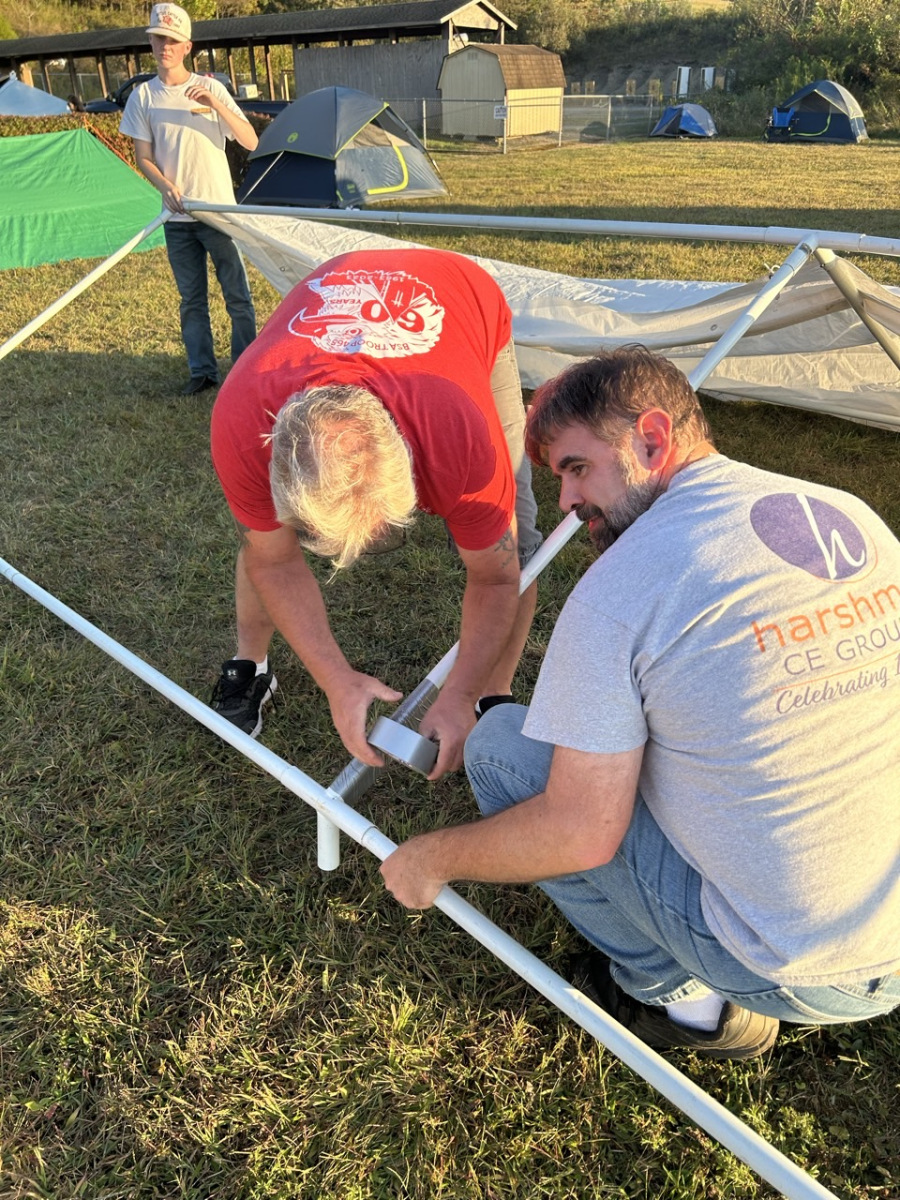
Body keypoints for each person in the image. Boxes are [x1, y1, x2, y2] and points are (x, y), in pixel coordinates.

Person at [380, 345, 900, 1060]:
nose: (566, 501)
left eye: (576, 468)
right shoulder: (848, 514)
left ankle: (683, 1002)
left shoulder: (619, 590)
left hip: (805, 967)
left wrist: (428, 860)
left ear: (652, 439)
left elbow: (579, 833)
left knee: (501, 748)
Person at [209, 246, 543, 779]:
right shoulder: (241, 421)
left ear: (414, 465)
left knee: (516, 542)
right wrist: (335, 680)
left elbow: (497, 578)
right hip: (341, 282)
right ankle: (251, 663)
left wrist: (459, 694)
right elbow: (273, 561)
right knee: (262, 541)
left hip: (464, 293)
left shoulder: (460, 432)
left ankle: (490, 697)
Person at [120, 3, 257, 395]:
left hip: (218, 214)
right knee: (192, 300)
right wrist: (165, 186)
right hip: (177, 220)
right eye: (158, 38)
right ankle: (202, 372)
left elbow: (250, 141)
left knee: (238, 297)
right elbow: (143, 157)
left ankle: (245, 372)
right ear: (150, 43)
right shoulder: (143, 97)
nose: (165, 46)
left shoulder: (211, 89)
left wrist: (217, 106)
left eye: (172, 40)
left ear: (187, 47)